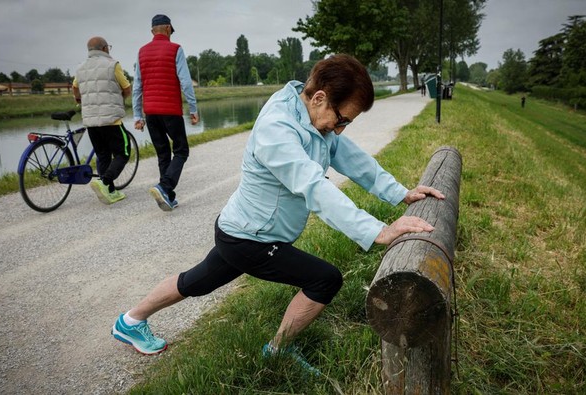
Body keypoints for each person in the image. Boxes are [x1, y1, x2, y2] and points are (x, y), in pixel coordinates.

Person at [112, 54, 445, 373]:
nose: (340, 129)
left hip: (238, 229)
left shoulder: (314, 120)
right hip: (250, 239)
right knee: (325, 279)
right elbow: (313, 185)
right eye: (342, 119)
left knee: (195, 282)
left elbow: (351, 157)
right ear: (318, 98)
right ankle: (277, 351)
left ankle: (130, 320)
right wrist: (377, 231)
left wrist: (400, 193)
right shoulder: (277, 128)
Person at [132, 14, 200, 211]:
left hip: (151, 112)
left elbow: (137, 86)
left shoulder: (142, 52)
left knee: (163, 153)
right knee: (181, 150)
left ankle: (167, 196)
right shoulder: (175, 49)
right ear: (169, 29)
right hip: (170, 111)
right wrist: (193, 109)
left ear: (153, 31)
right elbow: (186, 82)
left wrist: (138, 116)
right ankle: (164, 186)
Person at [73, 36, 132, 205]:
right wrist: (120, 100)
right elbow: (127, 88)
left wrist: (79, 100)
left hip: (91, 121)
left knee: (102, 155)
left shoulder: (81, 68)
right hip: (111, 120)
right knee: (123, 152)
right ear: (105, 48)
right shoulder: (113, 64)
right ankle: (104, 182)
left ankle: (110, 191)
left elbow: (75, 88)